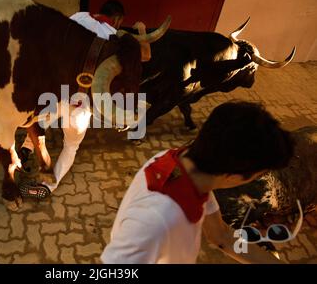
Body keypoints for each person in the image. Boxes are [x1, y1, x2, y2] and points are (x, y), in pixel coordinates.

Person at [101, 101, 295, 264]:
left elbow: (222, 237)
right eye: (257, 175)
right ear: (234, 176)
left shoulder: (186, 168)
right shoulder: (155, 220)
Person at [18, 0, 150, 199]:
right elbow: (145, 56)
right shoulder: (113, 37)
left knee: (41, 119)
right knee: (71, 146)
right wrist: (141, 30)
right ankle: (47, 186)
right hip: (80, 103)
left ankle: (25, 151)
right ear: (118, 20)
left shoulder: (78, 17)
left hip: (54, 90)